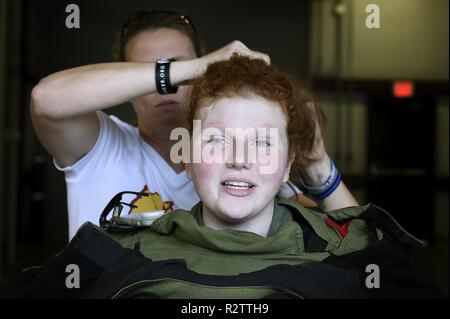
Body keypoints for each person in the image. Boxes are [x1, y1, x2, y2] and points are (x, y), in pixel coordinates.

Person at [23, 56, 444, 299]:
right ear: (186, 157)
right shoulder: (114, 251)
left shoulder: (352, 252)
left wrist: (319, 168)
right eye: (217, 141)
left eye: (262, 143)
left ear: (287, 163)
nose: (240, 160)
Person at [30, 9, 357, 240]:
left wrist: (318, 166)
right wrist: (187, 69)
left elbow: (361, 246)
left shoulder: (242, 164)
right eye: (153, 74)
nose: (168, 87)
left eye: (180, 67)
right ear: (127, 84)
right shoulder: (101, 147)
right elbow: (45, 98)